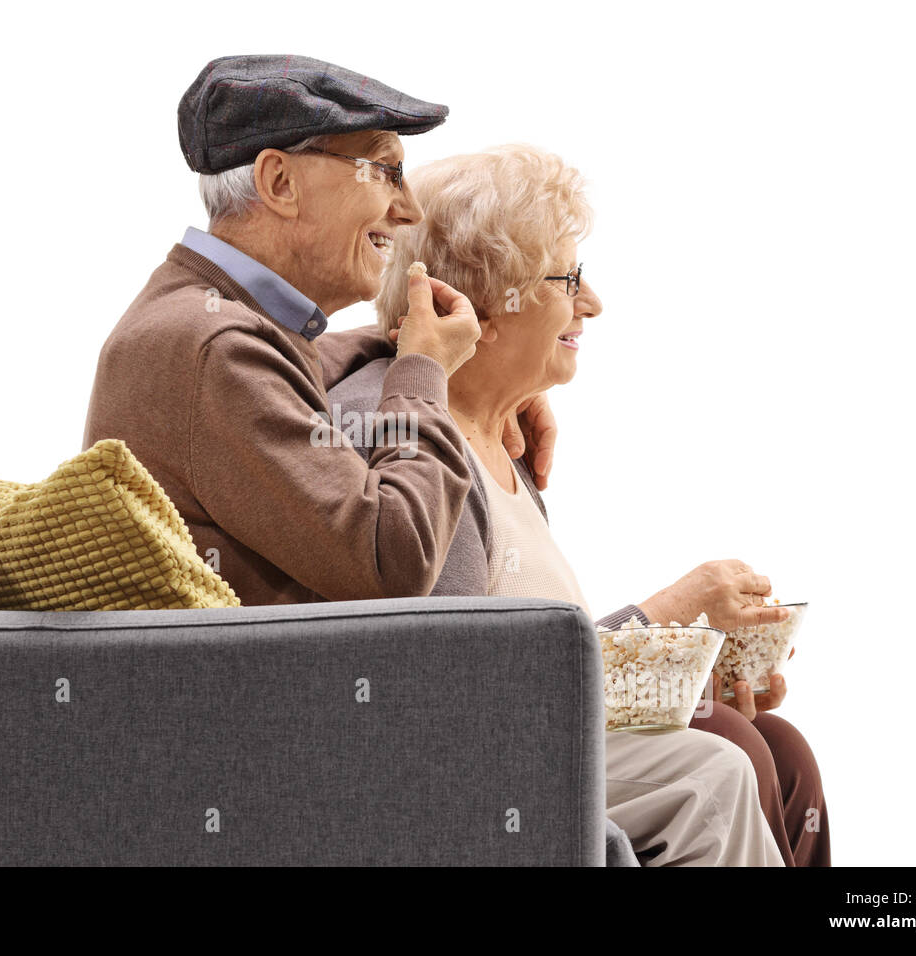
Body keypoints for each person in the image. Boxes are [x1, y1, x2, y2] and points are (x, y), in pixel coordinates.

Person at [329, 143, 829, 865]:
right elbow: (466, 692)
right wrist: (667, 613)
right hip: (475, 767)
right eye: (568, 279)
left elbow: (532, 658)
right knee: (723, 761)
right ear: (479, 307)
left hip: (530, 730)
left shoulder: (503, 438)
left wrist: (681, 667)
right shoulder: (415, 445)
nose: (591, 303)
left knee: (780, 746)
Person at [83, 55, 553, 606]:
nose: (410, 210)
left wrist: (463, 365)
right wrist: (425, 375)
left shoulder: (206, 316)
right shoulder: (218, 350)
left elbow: (299, 359)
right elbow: (395, 560)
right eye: (385, 170)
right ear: (280, 182)